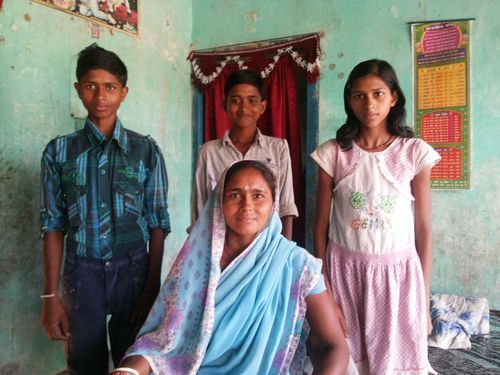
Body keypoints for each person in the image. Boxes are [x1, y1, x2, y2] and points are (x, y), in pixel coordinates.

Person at [110, 160, 349, 375]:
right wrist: (127, 370)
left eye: (258, 196)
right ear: (219, 203)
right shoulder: (196, 265)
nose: (247, 205)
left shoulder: (296, 265)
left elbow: (334, 347)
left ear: (273, 204)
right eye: (235, 195)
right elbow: (162, 344)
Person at [39, 43, 171, 374]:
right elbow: (53, 226)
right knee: (84, 362)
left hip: (134, 272)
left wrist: (151, 285)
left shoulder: (146, 152)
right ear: (78, 90)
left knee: (135, 359)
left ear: (123, 92)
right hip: (82, 274)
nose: (100, 95)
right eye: (90, 86)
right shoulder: (59, 153)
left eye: (110, 87)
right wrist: (49, 297)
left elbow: (157, 222)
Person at [311, 59, 441, 374]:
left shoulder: (414, 152)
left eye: (378, 94)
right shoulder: (333, 154)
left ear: (393, 97)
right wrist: (325, 294)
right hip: (346, 274)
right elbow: (319, 229)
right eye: (359, 95)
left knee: (395, 361)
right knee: (348, 359)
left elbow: (423, 229)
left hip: (398, 278)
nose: (369, 104)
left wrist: (422, 303)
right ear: (349, 100)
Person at [192, 69, 298, 240]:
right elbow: (200, 209)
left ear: (262, 106)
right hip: (221, 249)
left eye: (252, 100)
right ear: (224, 104)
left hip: (266, 248)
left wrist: (282, 254)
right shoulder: (208, 152)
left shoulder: (278, 149)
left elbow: (286, 207)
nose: (244, 108)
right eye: (235, 100)